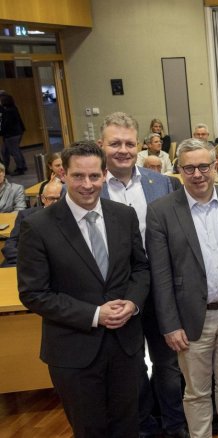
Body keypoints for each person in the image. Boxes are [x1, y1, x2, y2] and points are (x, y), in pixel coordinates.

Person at [18, 141, 150, 437]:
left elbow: (140, 268)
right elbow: (33, 293)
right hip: (73, 351)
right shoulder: (38, 226)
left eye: (94, 176)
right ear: (63, 175)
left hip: (125, 346)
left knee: (128, 427)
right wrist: (94, 314)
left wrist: (132, 302)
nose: (87, 184)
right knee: (90, 431)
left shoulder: (123, 215)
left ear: (105, 175)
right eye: (78, 176)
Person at [147, 139, 218, 438]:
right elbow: (160, 275)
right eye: (189, 168)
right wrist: (170, 324)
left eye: (203, 166)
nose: (197, 174)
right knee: (196, 391)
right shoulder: (161, 211)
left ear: (215, 166)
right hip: (189, 319)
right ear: (179, 170)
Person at [97, 113, 182, 437]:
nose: (123, 150)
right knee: (131, 369)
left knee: (168, 365)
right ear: (102, 146)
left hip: (161, 290)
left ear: (140, 146)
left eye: (129, 143)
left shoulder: (160, 183)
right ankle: (145, 426)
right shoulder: (92, 186)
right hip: (118, 295)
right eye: (115, 143)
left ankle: (174, 426)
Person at [2, 178, 61, 266]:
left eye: (59, 199)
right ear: (43, 198)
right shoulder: (25, 215)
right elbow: (11, 243)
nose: (56, 202)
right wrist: (24, 260)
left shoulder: (69, 217)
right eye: (51, 198)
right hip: (23, 260)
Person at [0, 92, 27, 175]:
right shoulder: (12, 108)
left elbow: (6, 124)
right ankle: (21, 166)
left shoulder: (8, 111)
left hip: (11, 134)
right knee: (9, 150)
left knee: (14, 151)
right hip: (15, 133)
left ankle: (20, 168)